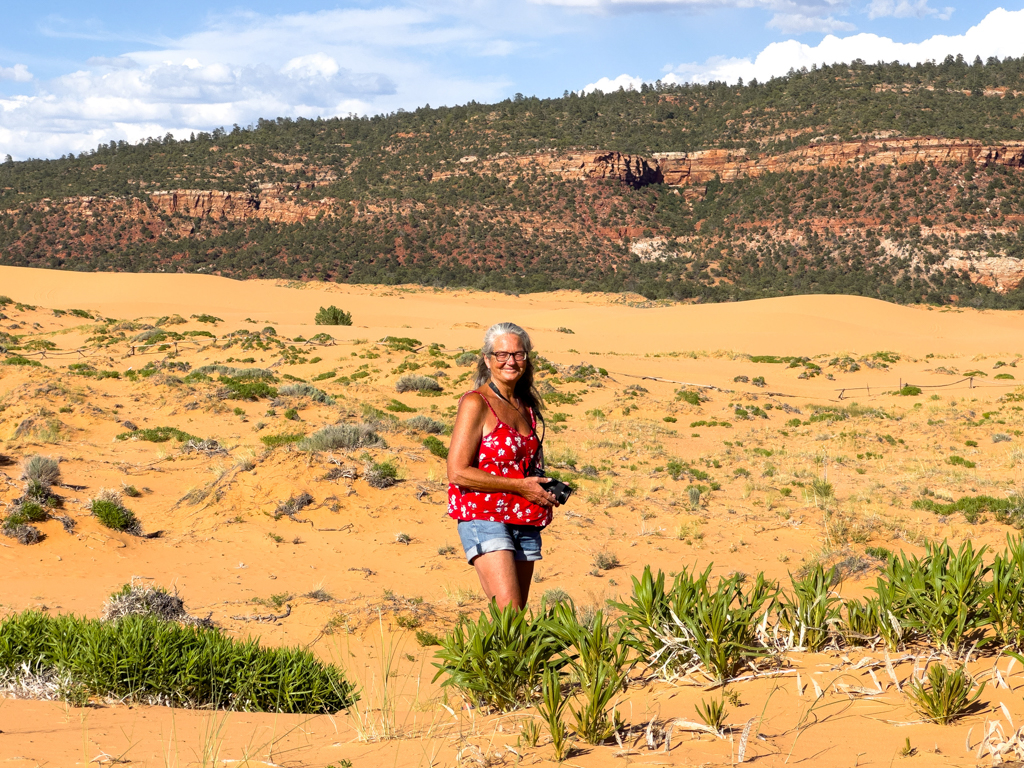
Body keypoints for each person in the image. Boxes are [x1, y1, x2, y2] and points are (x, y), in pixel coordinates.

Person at [447, 322, 559, 609]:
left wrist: (542, 490)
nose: (511, 361)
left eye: (518, 355)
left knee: (516, 614)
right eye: (502, 354)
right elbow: (457, 472)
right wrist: (520, 486)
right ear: (487, 359)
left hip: (523, 517)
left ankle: (504, 656)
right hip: (484, 516)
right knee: (508, 610)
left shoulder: (526, 406)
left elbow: (526, 466)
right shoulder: (476, 403)